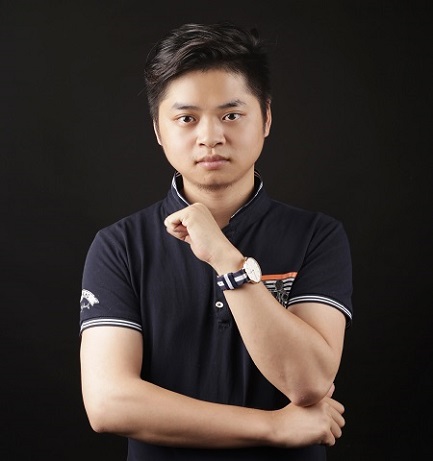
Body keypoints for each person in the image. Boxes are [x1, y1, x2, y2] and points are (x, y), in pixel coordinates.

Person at [79, 21, 353, 461]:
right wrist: (272, 427)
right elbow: (109, 403)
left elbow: (310, 382)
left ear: (265, 118)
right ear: (158, 130)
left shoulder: (317, 236)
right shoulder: (119, 246)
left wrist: (226, 258)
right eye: (187, 118)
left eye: (231, 115)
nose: (211, 137)